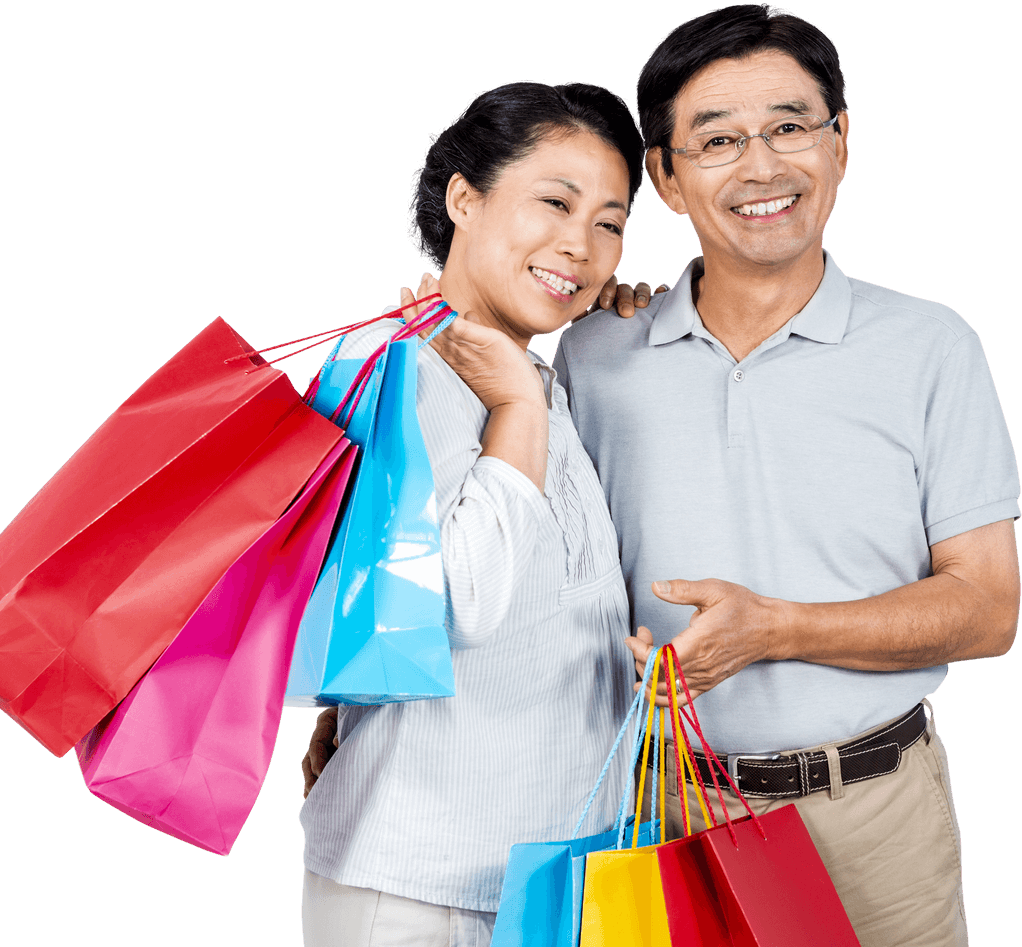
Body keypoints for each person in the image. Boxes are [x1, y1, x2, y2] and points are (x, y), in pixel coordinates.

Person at [553, 5, 1018, 946]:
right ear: (667, 178)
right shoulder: (593, 354)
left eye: (790, 127)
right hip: (657, 813)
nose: (762, 166)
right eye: (718, 140)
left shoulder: (932, 345)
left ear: (839, 147)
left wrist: (776, 628)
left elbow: (989, 608)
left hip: (874, 816)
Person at [298, 80, 646, 947]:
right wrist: (516, 410)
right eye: (555, 203)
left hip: (546, 883)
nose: (582, 245)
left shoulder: (539, 380)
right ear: (464, 198)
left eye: (609, 223)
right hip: (422, 891)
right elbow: (462, 605)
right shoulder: (395, 364)